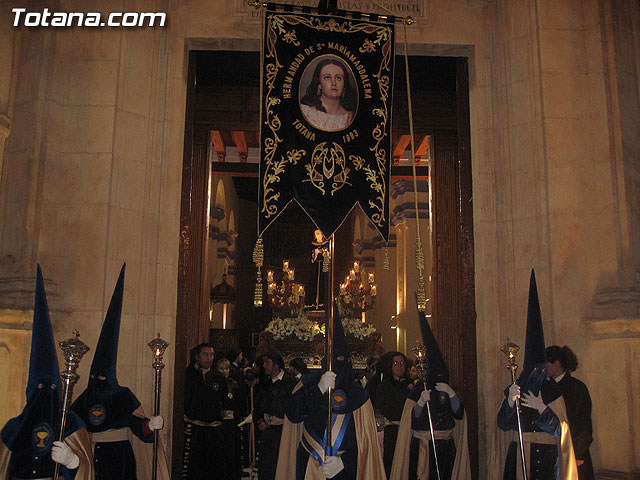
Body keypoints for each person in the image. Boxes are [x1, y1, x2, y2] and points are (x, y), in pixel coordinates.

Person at [70, 264, 169, 480]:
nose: (100, 380)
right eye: (96, 377)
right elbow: (72, 425)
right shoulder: (87, 397)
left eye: (104, 377)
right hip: (93, 458)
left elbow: (136, 425)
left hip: (119, 459)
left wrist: (149, 425)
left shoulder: (122, 396)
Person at [0, 265, 93, 480]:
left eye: (51, 388)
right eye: (40, 388)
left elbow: (85, 467)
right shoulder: (15, 427)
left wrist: (73, 461)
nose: (45, 394)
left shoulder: (69, 423)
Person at [275, 306, 386, 479]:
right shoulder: (308, 385)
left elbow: (367, 445)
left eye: (342, 360)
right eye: (333, 360)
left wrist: (345, 462)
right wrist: (318, 389)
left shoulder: (359, 397)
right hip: (309, 465)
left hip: (343, 471)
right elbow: (293, 413)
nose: (338, 365)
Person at [490, 270, 578, 479]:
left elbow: (560, 430)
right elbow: (503, 424)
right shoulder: (519, 385)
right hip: (519, 454)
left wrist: (543, 409)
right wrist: (510, 403)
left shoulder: (552, 391)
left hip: (548, 458)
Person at [390, 307, 471, 480]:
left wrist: (452, 395)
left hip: (445, 446)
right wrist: (420, 402)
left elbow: (458, 414)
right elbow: (412, 419)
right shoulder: (419, 389)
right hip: (422, 446)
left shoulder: (445, 388)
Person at [547, 345, 594, 480]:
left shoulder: (577, 388)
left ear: (557, 363)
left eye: (547, 364)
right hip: (553, 449)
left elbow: (583, 423)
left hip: (573, 449)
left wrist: (578, 454)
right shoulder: (547, 387)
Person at [182, 342, 229, 479]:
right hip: (196, 429)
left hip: (214, 429)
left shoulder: (218, 378)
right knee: (196, 467)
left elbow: (223, 399)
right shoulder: (190, 376)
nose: (209, 358)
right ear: (197, 356)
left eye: (211, 355)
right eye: (205, 354)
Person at [254, 350, 296, 480]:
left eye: (267, 362)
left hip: (284, 431)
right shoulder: (265, 383)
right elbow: (258, 405)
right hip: (267, 430)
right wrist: (259, 420)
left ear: (276, 365)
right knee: (266, 465)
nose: (264, 365)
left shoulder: (290, 382)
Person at [375, 351, 411, 477]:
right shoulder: (385, 386)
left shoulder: (408, 384)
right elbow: (387, 409)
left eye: (401, 363)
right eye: (395, 363)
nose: (399, 366)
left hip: (408, 430)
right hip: (394, 430)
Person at [300, 57, 356, 131]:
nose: (334, 83)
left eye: (338, 78)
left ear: (344, 84)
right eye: (327, 77)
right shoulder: (305, 111)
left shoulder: (350, 117)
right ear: (319, 84)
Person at [217, 357, 243, 480]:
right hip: (218, 424)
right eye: (221, 368)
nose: (224, 371)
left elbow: (238, 404)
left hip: (231, 424)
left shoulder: (233, 385)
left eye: (226, 368)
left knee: (231, 454)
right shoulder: (214, 383)